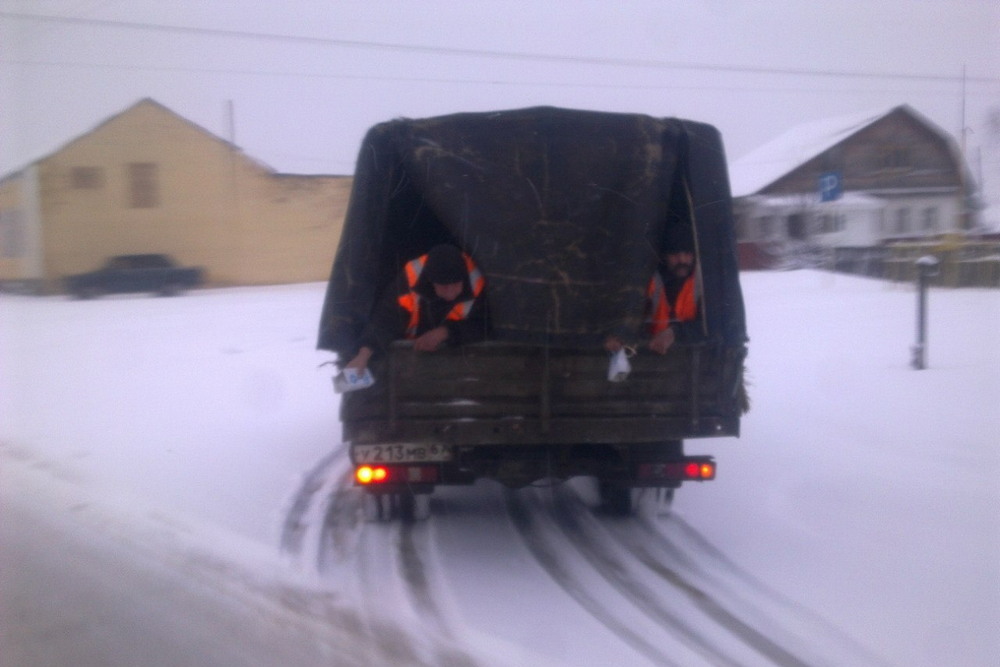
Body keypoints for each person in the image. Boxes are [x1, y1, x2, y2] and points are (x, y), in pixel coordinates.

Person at [344, 244, 488, 372]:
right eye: (443, 287)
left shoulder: (478, 283)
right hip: (412, 363)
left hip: (463, 366)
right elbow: (386, 320)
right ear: (431, 283)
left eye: (456, 285)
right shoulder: (408, 281)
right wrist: (364, 354)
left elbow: (485, 326)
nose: (450, 293)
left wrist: (446, 332)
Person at [605, 226, 700, 355]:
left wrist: (674, 333)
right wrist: (621, 335)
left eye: (687, 254)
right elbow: (632, 315)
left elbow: (713, 325)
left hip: (692, 354)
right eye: (674, 254)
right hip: (649, 356)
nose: (682, 260)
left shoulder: (703, 283)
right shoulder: (648, 281)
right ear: (664, 256)